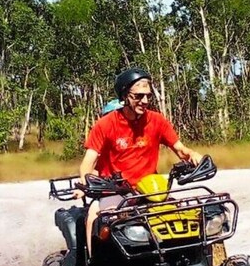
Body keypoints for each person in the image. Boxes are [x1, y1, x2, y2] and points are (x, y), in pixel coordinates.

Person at [77, 67, 203, 253]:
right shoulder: (105, 125)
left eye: (148, 96)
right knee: (95, 217)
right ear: (124, 95)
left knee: (187, 222)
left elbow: (180, 149)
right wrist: (85, 183)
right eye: (138, 96)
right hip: (116, 192)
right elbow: (87, 164)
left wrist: (193, 155)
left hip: (151, 191)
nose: (144, 101)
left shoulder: (157, 121)